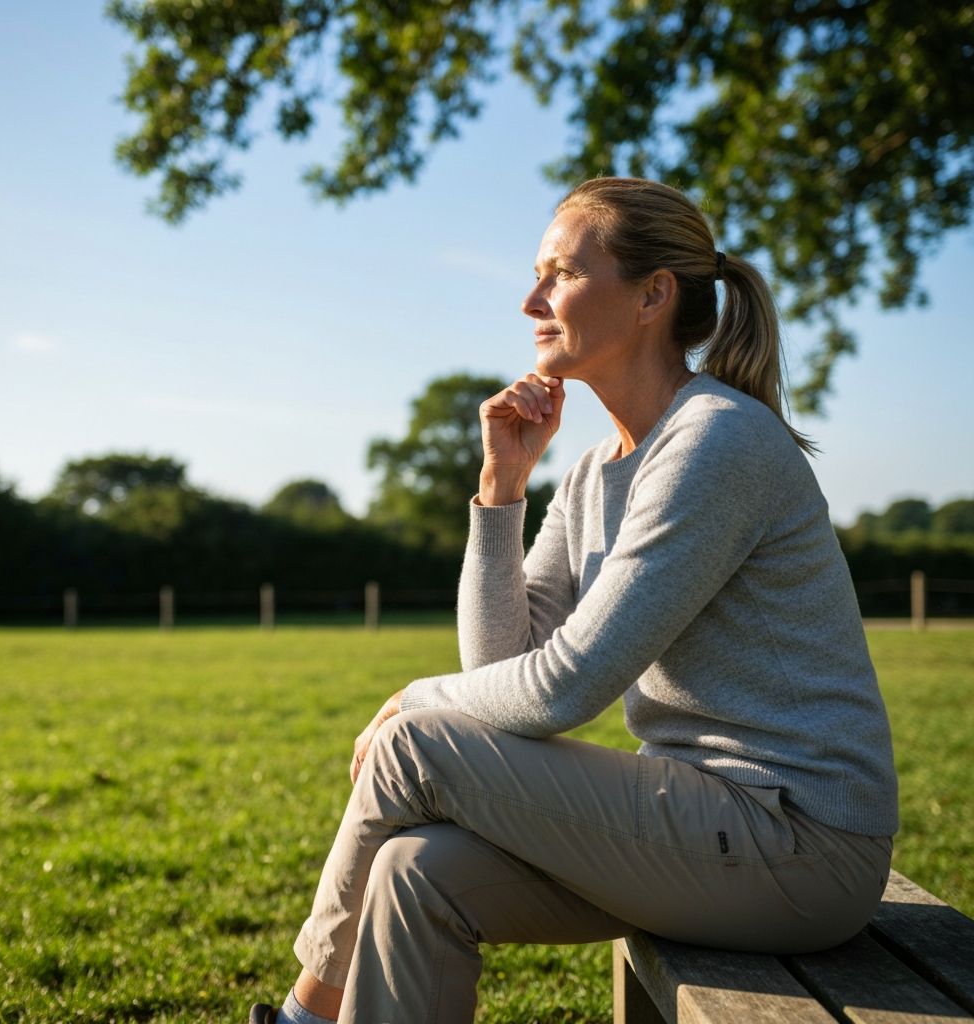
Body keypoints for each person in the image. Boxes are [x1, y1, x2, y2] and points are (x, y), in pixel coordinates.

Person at [250, 177, 898, 1024]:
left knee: (415, 739)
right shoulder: (596, 470)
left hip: (800, 846)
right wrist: (500, 490)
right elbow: (502, 676)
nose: (531, 300)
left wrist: (414, 699)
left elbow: (564, 689)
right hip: (701, 822)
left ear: (651, 296)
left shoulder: (716, 439)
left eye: (559, 273)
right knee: (416, 873)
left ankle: (300, 1018)